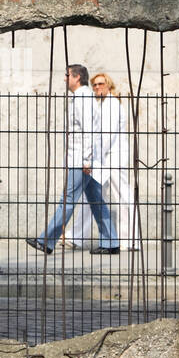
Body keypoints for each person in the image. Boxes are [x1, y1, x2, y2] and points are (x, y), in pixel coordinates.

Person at [26, 65, 119, 256]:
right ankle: (111, 242)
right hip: (85, 159)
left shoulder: (82, 99)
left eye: (67, 75)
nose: (65, 78)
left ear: (76, 77)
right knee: (96, 201)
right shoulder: (82, 97)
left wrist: (86, 160)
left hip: (81, 161)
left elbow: (88, 131)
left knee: (67, 200)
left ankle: (46, 241)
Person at [67, 73, 139, 250]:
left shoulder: (112, 104)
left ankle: (130, 239)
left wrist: (91, 159)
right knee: (92, 197)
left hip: (111, 158)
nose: (97, 87)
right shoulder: (105, 104)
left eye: (101, 84)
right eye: (94, 85)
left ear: (108, 85)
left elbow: (106, 136)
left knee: (122, 196)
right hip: (104, 158)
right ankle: (77, 236)